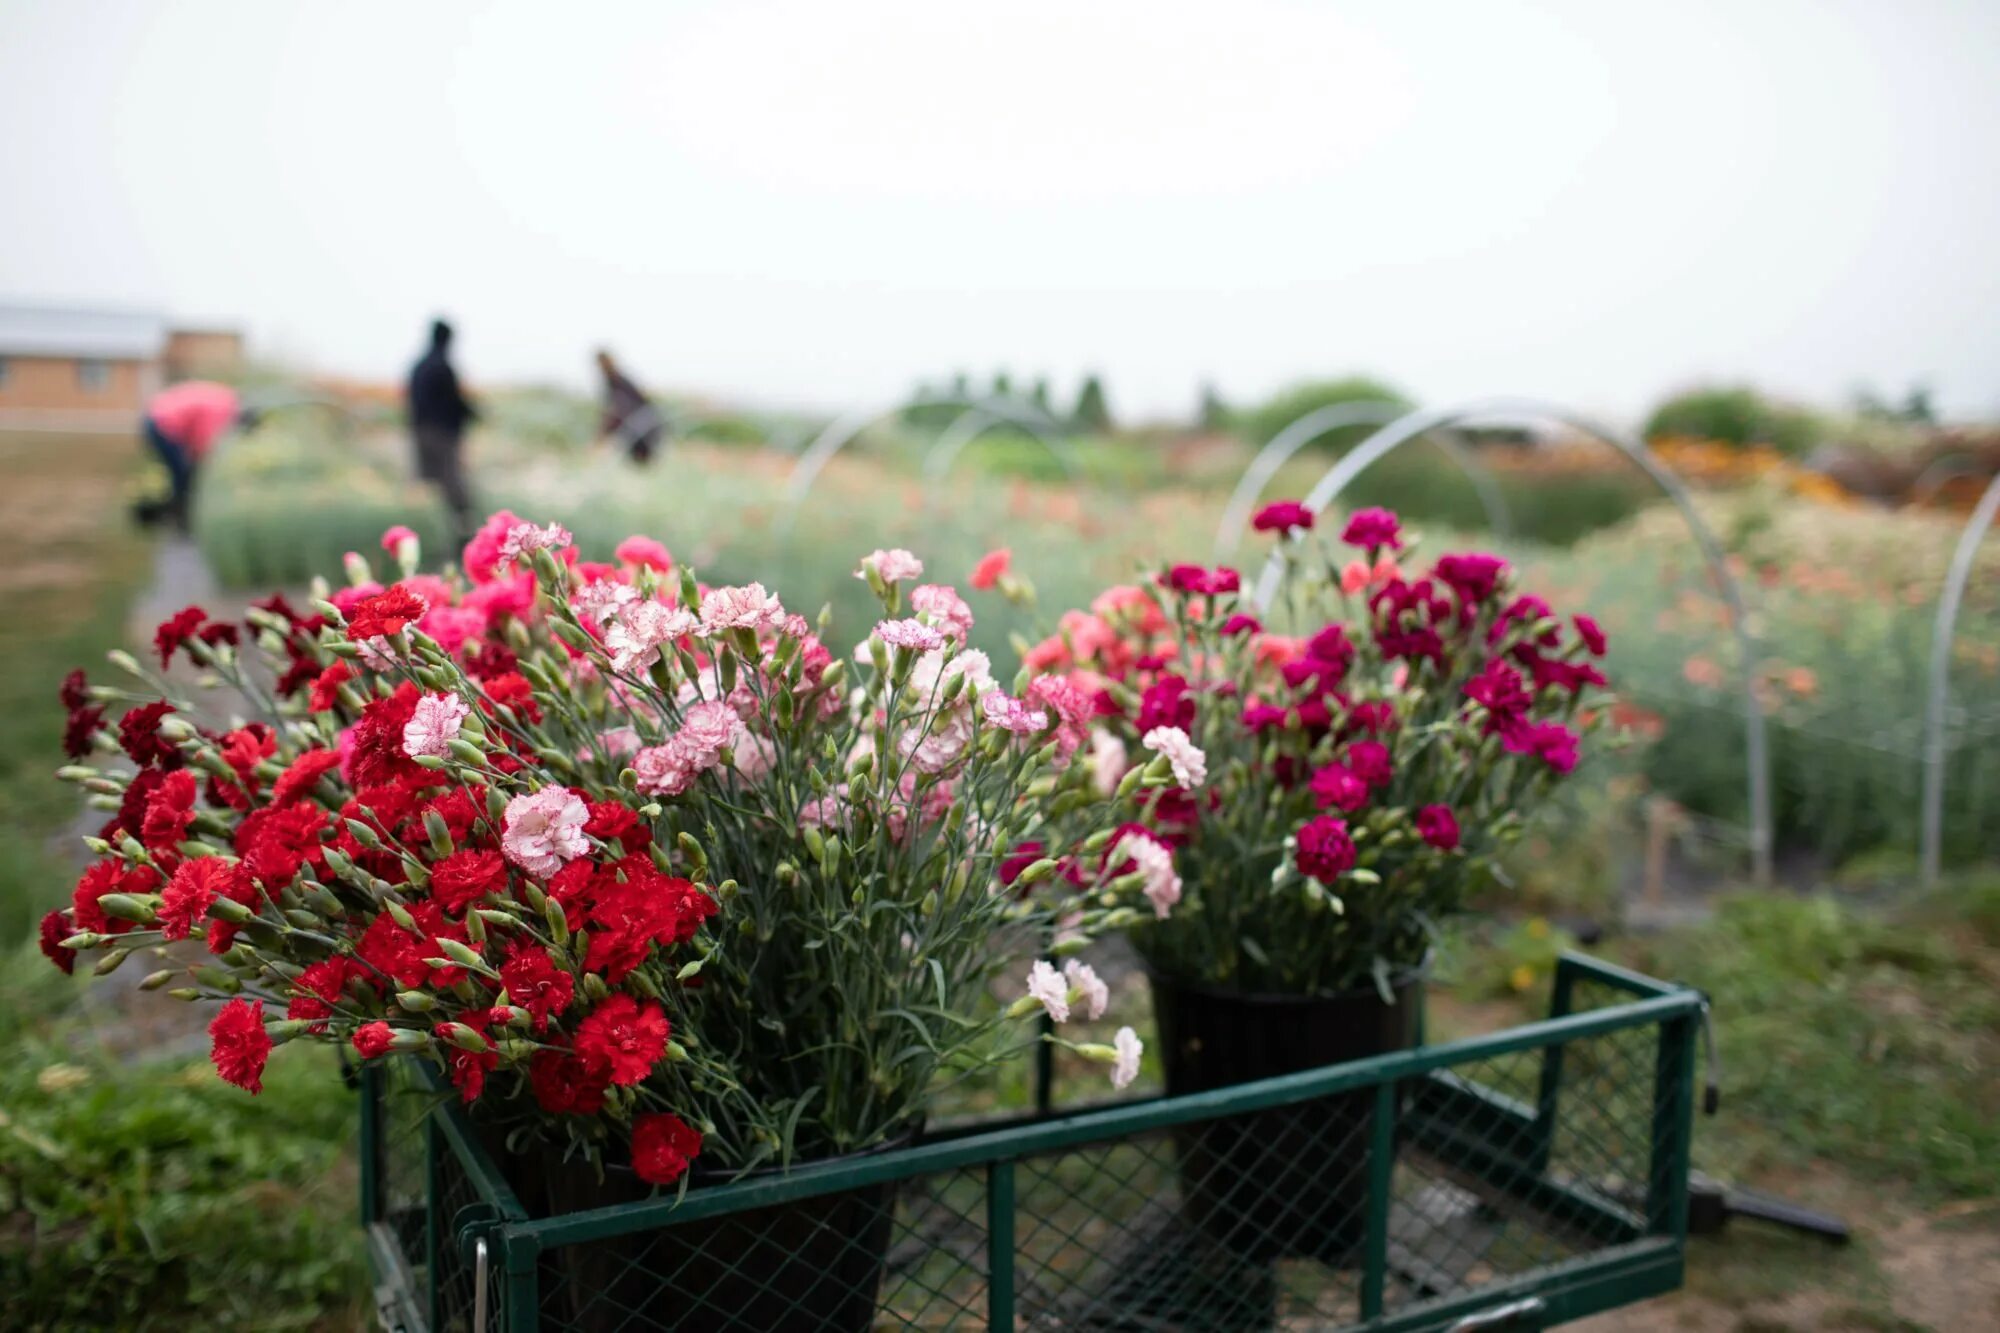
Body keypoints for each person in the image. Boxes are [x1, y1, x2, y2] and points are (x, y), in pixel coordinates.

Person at [407, 319, 478, 544]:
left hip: (421, 431)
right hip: (442, 435)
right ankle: (460, 538)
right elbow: (455, 403)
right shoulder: (442, 367)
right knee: (454, 488)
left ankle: (429, 537)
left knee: (428, 486)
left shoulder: (419, 365)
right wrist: (473, 414)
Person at [142, 379, 243, 532]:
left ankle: (177, 515)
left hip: (156, 417)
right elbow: (203, 441)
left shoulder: (224, 398)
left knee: (179, 473)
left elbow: (196, 434)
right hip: (162, 424)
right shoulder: (225, 409)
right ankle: (182, 521)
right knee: (181, 474)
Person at [596, 349, 664, 463]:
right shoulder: (613, 381)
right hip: (639, 422)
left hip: (641, 422)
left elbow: (619, 409)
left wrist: (603, 433)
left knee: (636, 452)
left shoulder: (618, 381)